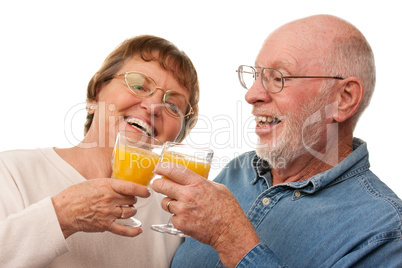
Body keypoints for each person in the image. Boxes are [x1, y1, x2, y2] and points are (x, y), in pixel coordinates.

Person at [151, 14, 402, 267]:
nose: (252, 95)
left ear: (343, 99)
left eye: (278, 77)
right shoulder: (237, 172)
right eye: (257, 75)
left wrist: (232, 240)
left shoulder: (385, 231)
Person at [0, 35, 199, 267]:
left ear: (179, 135)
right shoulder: (11, 172)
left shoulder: (172, 219)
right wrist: (64, 215)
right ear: (95, 95)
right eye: (138, 85)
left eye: (173, 105)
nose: (153, 106)